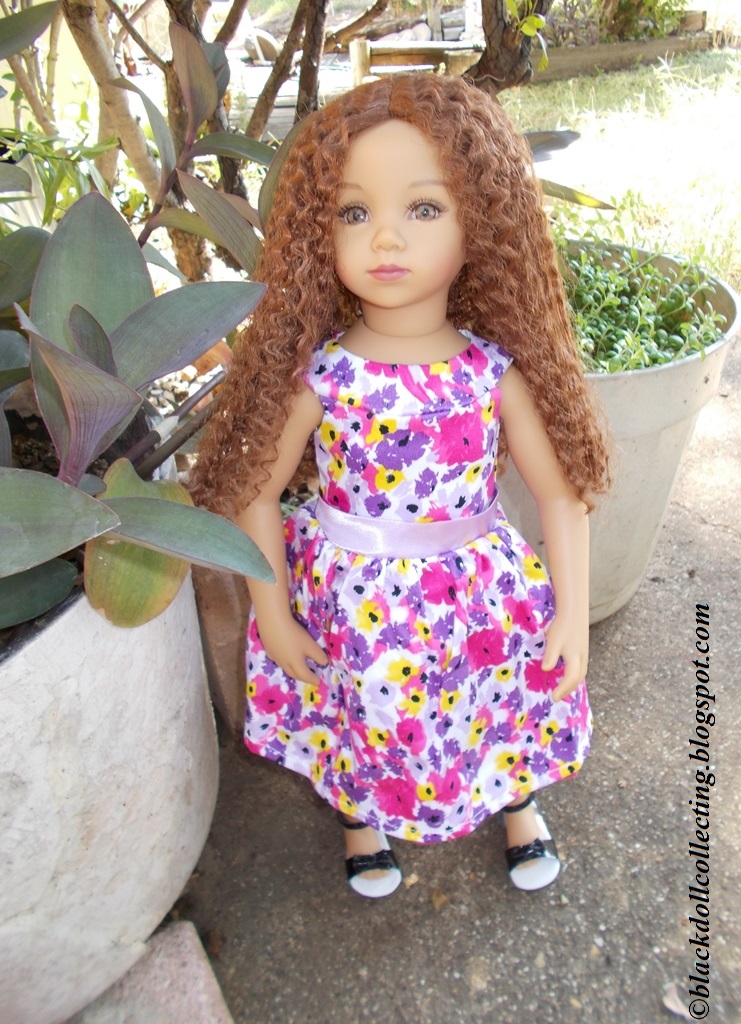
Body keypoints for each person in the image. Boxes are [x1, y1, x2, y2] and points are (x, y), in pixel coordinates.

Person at [190, 73, 611, 898]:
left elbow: (560, 495)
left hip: (476, 596)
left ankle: (514, 798)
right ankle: (360, 817)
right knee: (356, 711)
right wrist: (272, 613)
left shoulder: (490, 373)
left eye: (422, 208)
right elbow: (254, 491)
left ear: (479, 222)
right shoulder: (324, 377)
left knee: (497, 696)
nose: (385, 238)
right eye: (353, 213)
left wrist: (572, 613)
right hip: (350, 600)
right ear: (318, 231)